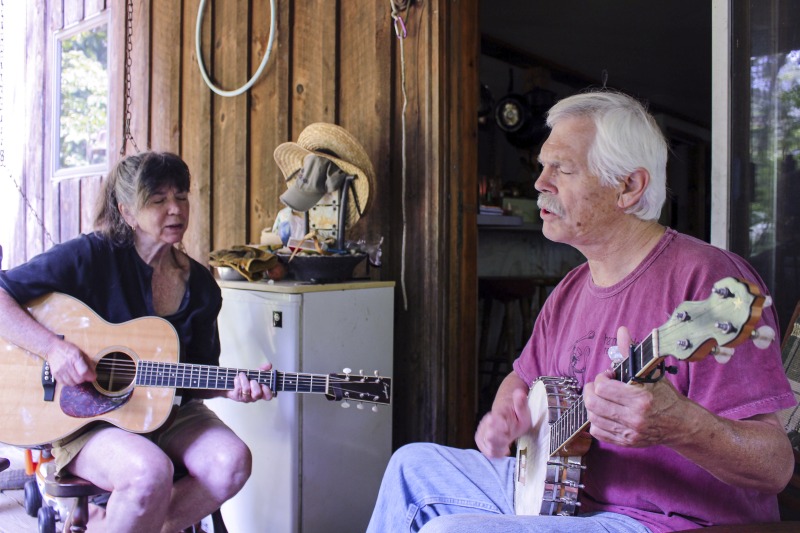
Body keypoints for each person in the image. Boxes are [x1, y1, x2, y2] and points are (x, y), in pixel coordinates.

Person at [367, 91, 796, 533]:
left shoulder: (707, 282)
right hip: (566, 501)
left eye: (563, 169)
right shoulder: (572, 288)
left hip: (661, 521)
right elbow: (523, 379)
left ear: (628, 187)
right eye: (543, 167)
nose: (540, 183)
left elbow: (775, 467)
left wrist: (680, 425)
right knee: (410, 465)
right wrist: (507, 417)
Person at [0, 151, 273, 532]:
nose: (175, 209)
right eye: (158, 200)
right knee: (149, 472)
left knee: (232, 462)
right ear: (126, 212)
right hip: (83, 417)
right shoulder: (90, 256)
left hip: (167, 410)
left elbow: (197, 379)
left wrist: (232, 390)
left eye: (181, 196)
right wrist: (53, 348)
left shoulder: (202, 287)